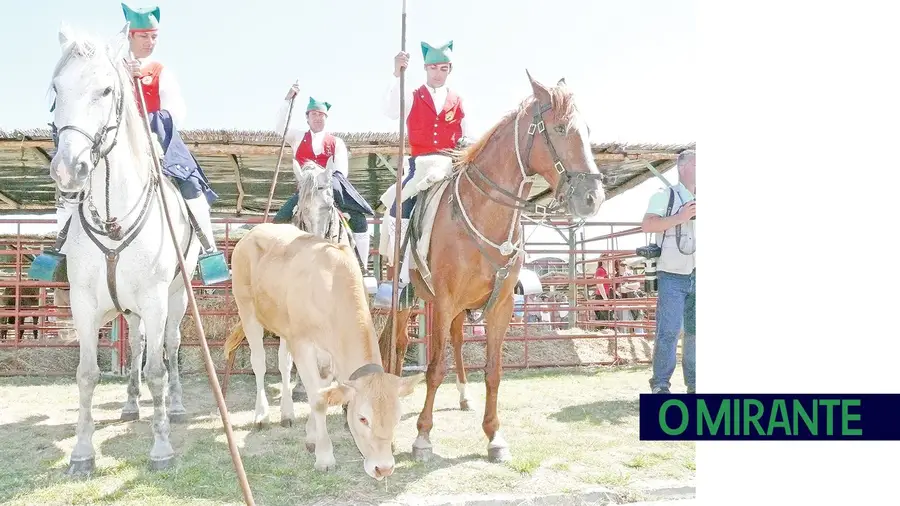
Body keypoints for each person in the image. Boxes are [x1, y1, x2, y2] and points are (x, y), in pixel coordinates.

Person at [50, 3, 227, 283]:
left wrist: (150, 117)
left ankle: (208, 248)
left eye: (154, 37)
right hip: (112, 141)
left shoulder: (159, 71)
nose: (150, 42)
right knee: (70, 185)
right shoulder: (106, 68)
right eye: (144, 36)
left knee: (191, 184)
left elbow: (175, 111)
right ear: (130, 36)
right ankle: (60, 250)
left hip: (157, 137)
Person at [375, 40, 472, 307]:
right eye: (432, 68)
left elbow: (471, 137)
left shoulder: (459, 101)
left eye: (442, 68)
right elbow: (390, 111)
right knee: (398, 210)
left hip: (451, 166)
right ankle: (400, 279)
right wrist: (397, 75)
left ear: (449, 69)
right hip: (420, 166)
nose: (437, 73)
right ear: (425, 69)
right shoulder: (412, 94)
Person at [272, 85, 375, 270]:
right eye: (314, 115)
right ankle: (275, 266)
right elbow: (280, 127)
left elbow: (341, 172)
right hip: (304, 193)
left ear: (326, 118)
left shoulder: (337, 142)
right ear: (307, 117)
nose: (318, 118)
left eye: (321, 115)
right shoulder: (297, 137)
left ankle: (362, 268)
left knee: (359, 220)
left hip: (328, 190)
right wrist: (288, 100)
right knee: (278, 220)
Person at [641, 149, 696, 394]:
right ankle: (661, 384)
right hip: (672, 273)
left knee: (696, 332)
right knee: (669, 331)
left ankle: (696, 384)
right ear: (683, 167)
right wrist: (680, 216)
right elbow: (648, 224)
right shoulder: (665, 196)